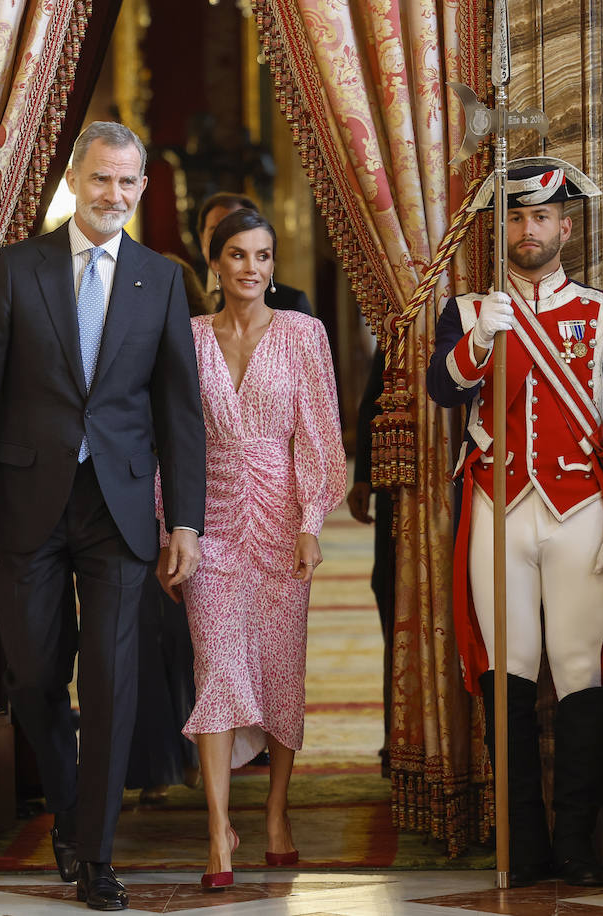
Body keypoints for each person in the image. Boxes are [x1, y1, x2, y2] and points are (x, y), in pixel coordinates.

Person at [0, 121, 205, 913]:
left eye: (128, 183)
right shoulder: (19, 269)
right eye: (101, 180)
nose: (114, 196)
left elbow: (180, 413)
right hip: (24, 508)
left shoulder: (160, 279)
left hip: (120, 510)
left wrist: (184, 522)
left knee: (115, 683)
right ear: (75, 181)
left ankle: (95, 854)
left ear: (140, 190)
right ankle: (67, 805)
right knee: (32, 676)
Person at [426, 157, 603, 888]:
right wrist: (480, 342)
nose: (529, 231)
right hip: (497, 510)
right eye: (517, 219)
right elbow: (441, 386)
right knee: (510, 676)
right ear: (504, 229)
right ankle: (522, 847)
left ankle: (579, 848)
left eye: (542, 218)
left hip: (583, 516)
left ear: (566, 226)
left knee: (579, 671)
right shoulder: (469, 311)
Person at [170, 208, 345, 890]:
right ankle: (218, 831)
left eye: (264, 255)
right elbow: (172, 441)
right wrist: (171, 530)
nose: (252, 268)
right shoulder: (185, 339)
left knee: (278, 673)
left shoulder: (304, 334)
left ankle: (275, 814)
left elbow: (320, 437)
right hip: (207, 526)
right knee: (215, 667)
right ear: (215, 263)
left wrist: (311, 523)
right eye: (238, 255)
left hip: (281, 527)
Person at [124, 253, 210, 804]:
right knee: (140, 642)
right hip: (131, 500)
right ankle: (152, 766)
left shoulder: (202, 343)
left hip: (190, 504)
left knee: (189, 639)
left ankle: (201, 755)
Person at [348, 344, 396, 777]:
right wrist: (363, 474)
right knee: (393, 597)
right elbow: (374, 401)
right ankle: (396, 738)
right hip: (398, 491)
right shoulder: (404, 314)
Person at [194, 192, 312, 316]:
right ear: (202, 239)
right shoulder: (182, 292)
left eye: (238, 232)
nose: (224, 242)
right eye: (216, 233)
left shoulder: (291, 304)